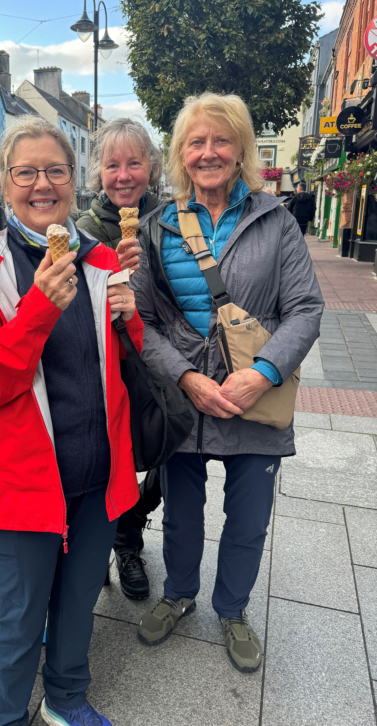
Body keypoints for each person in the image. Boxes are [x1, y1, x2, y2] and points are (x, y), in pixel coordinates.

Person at [0, 115, 144, 726]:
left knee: (80, 601)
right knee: (20, 615)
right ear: (5, 185)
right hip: (20, 487)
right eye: (25, 171)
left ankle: (64, 701)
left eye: (55, 170)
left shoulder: (101, 260)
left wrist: (131, 316)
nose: (42, 184)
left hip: (97, 476)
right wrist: (36, 310)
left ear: (74, 180)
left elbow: (122, 365)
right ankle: (5, 718)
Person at [130, 92, 323, 672]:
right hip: (186, 396)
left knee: (248, 515)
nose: (208, 152)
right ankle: (179, 593)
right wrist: (185, 376)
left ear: (240, 149)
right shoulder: (157, 226)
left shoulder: (276, 219)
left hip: (252, 397)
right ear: (180, 155)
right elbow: (141, 320)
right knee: (182, 511)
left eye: (220, 140)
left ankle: (233, 609)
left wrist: (262, 376)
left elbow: (306, 308)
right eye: (196, 142)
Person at [77, 118, 163, 601]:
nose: (124, 175)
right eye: (113, 164)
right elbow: (77, 311)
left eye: (134, 163)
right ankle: (124, 543)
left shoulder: (174, 219)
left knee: (171, 457)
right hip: (112, 367)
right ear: (99, 173)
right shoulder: (85, 231)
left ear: (150, 167)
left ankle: (135, 519)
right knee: (120, 461)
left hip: (164, 361)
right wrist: (110, 274)